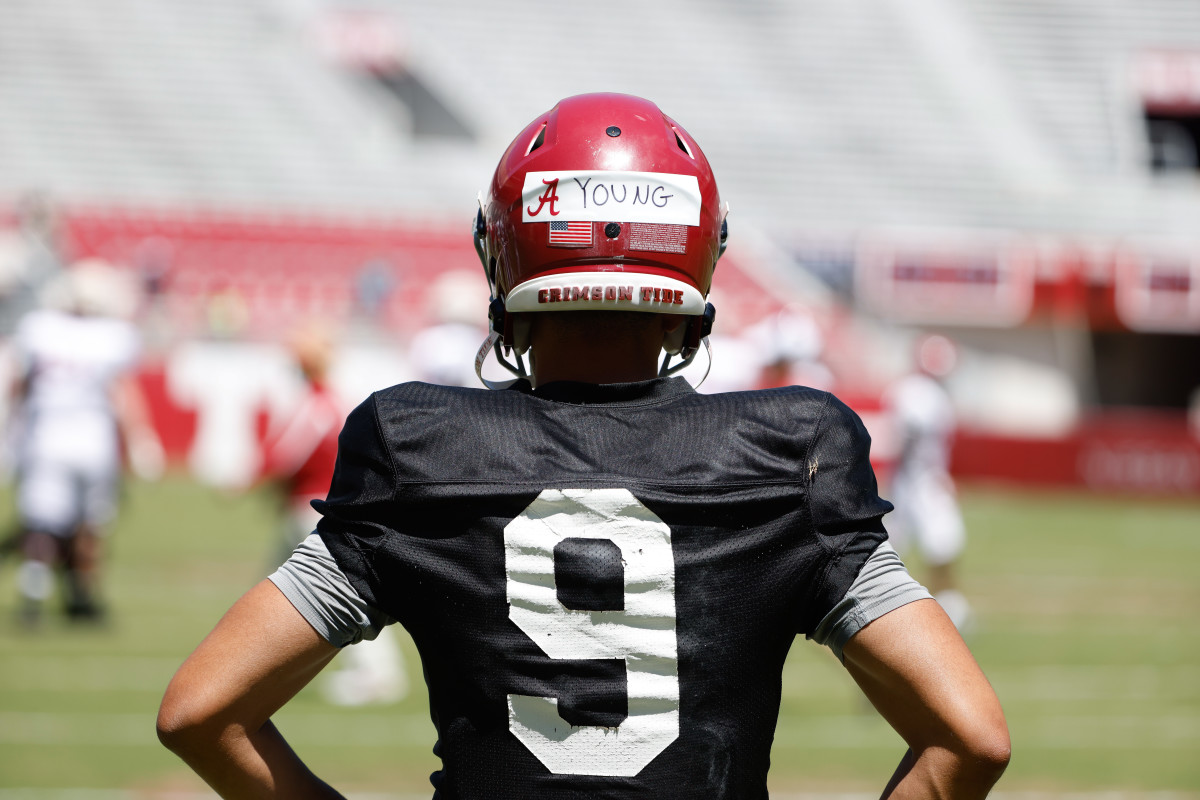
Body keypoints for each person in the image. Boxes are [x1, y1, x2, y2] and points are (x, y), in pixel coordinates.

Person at [158, 93, 1009, 799]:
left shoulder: (417, 444)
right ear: (699, 261)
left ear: (505, 254)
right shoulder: (793, 452)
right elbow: (971, 738)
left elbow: (200, 711)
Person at [255, 321, 408, 706]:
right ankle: (268, 666)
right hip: (330, 503)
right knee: (280, 588)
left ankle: (377, 675)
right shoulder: (340, 401)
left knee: (323, 591)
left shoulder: (315, 404)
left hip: (312, 508)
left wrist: (249, 483)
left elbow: (287, 456)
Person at [9, 259, 162, 624]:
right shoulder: (112, 336)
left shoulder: (39, 328)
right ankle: (82, 596)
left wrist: (13, 429)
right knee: (91, 524)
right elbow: (122, 392)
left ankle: (34, 593)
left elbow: (20, 385)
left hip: (46, 437)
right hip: (94, 441)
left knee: (41, 522)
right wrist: (140, 439)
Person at [882, 333, 972, 630]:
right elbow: (910, 439)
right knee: (904, 545)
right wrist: (901, 482)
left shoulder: (925, 392)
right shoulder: (917, 393)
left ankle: (942, 604)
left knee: (940, 544)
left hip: (920, 478)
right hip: (915, 480)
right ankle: (893, 605)